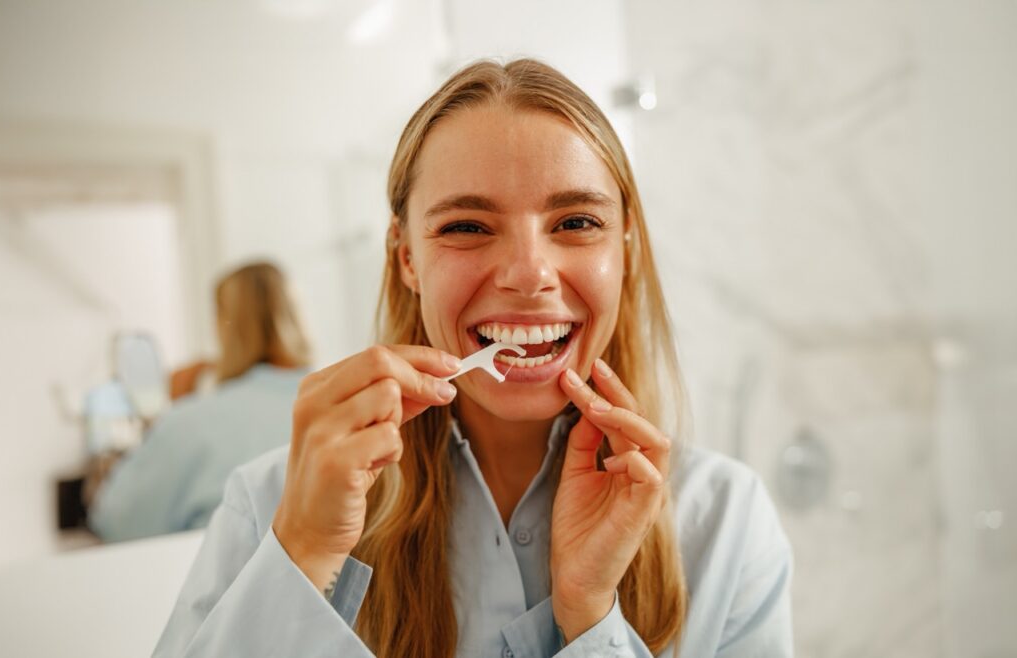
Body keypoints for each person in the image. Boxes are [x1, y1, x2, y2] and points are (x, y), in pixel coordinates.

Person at [155, 60, 793, 657]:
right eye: (466, 226)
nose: (528, 274)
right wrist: (302, 553)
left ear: (623, 250)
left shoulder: (727, 521)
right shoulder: (268, 504)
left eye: (575, 223)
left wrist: (591, 613)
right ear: (406, 257)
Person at [89, 261, 312, 541]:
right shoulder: (344, 404)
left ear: (226, 328)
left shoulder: (191, 422)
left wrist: (172, 417)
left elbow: (118, 523)